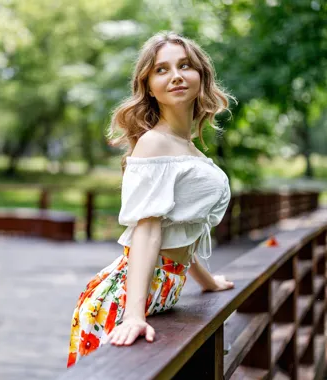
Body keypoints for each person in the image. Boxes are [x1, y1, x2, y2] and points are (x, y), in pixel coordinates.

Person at [67, 31, 236, 368]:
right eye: (162, 69)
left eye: (185, 65)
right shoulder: (154, 144)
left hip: (156, 296)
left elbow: (179, 231)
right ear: (148, 85)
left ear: (201, 76)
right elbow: (147, 231)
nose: (175, 75)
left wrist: (208, 281)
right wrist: (134, 315)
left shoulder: (186, 148)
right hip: (122, 303)